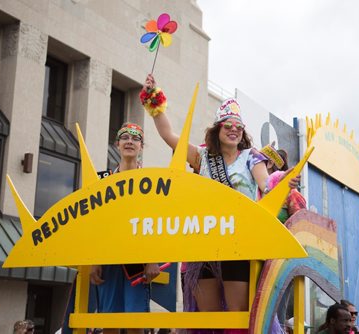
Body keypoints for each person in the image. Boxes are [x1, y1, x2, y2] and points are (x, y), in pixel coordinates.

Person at [142, 74, 300, 334]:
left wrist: (283, 181)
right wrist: (153, 97)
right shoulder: (203, 157)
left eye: (238, 126)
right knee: (209, 319)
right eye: (228, 124)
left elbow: (266, 185)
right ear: (217, 129)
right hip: (205, 243)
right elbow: (169, 135)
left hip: (238, 244)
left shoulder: (252, 157)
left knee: (237, 316)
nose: (234, 129)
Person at [89, 123, 161, 334]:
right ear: (117, 144)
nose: (130, 141)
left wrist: (152, 259)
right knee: (109, 321)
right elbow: (95, 223)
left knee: (134, 322)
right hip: (109, 258)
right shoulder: (102, 180)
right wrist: (94, 261)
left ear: (141, 146)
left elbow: (156, 222)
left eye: (135, 138)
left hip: (137, 261)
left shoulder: (150, 182)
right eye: (125, 137)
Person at [259, 144, 306, 223]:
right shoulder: (256, 190)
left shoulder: (291, 192)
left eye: (257, 162)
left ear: (270, 163)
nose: (254, 166)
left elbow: (301, 225)